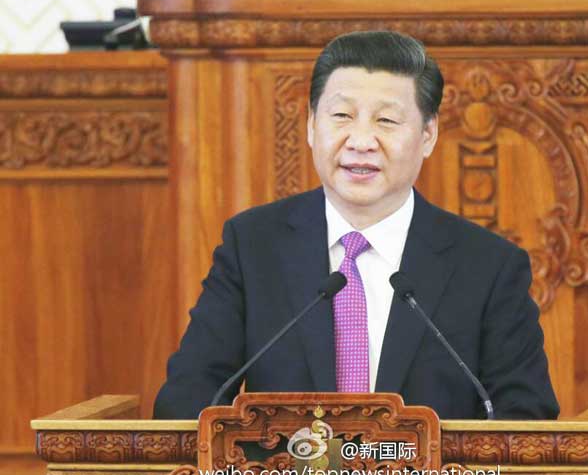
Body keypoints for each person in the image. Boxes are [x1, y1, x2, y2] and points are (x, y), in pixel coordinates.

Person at [153, 31, 559, 421]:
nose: (361, 141)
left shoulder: (488, 267)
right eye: (342, 116)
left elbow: (524, 421)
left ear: (428, 134)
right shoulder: (253, 247)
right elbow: (188, 399)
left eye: (386, 120)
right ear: (311, 125)